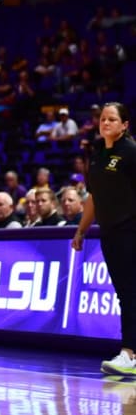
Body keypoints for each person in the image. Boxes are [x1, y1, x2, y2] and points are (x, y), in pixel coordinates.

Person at [72, 102, 136, 375]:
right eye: (102, 120)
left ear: (125, 125)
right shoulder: (97, 155)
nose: (106, 123)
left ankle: (129, 354)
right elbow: (93, 198)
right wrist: (81, 230)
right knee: (125, 292)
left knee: (131, 292)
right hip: (109, 232)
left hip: (130, 229)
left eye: (112, 119)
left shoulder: (131, 153)